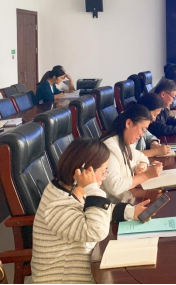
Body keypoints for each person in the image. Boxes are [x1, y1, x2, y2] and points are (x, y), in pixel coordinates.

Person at [31, 138, 150, 284]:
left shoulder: (71, 189)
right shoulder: (57, 205)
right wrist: (92, 187)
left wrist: (130, 212)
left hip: (87, 269)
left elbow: (93, 212)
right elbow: (96, 231)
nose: (104, 178)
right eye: (103, 172)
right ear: (84, 173)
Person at [100, 103, 163, 201]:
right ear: (128, 123)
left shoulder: (126, 142)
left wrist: (141, 167)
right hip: (112, 205)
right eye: (142, 129)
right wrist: (147, 175)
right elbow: (115, 187)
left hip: (128, 199)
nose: (142, 135)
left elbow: (141, 156)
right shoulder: (109, 148)